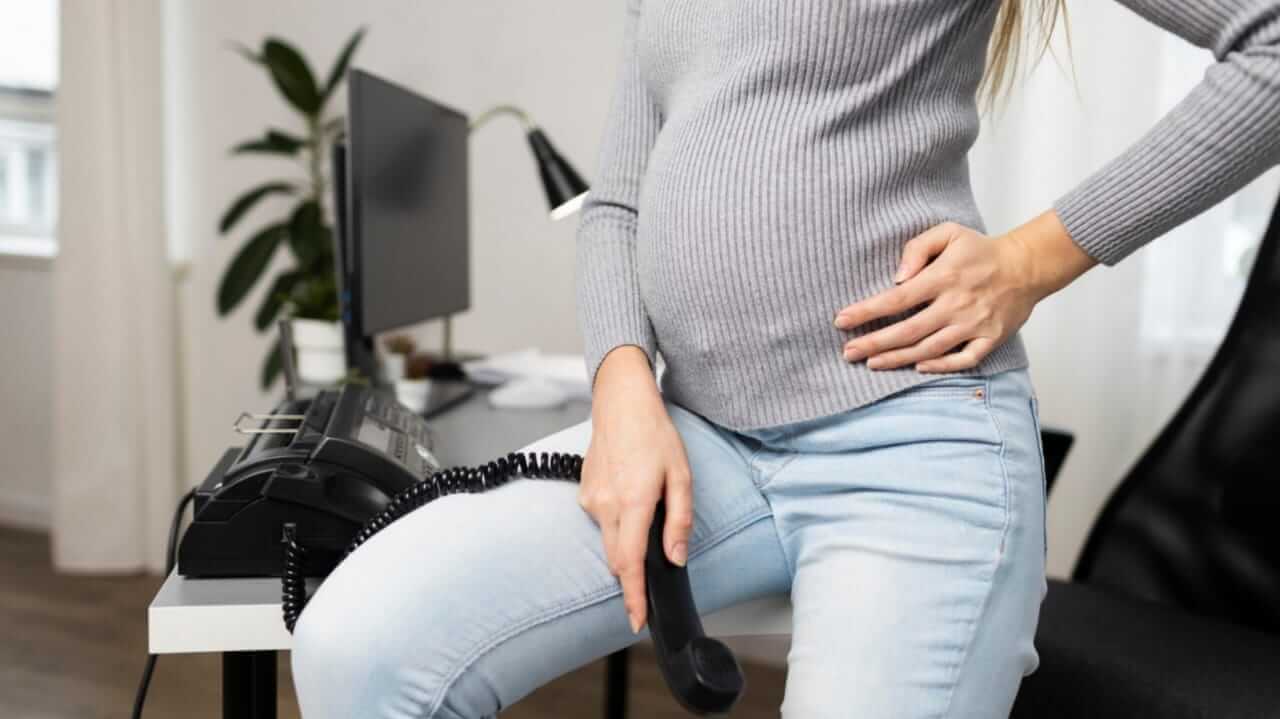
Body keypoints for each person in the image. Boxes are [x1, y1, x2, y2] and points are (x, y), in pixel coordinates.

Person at [290, 1, 1280, 716]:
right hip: (698, 436)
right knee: (359, 643)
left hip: (910, 449)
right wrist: (622, 385)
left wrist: (1031, 259)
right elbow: (618, 200)